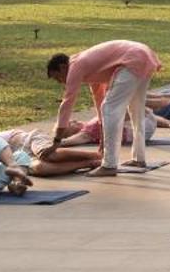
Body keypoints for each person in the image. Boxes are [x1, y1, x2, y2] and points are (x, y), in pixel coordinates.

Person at [47, 40, 161, 176]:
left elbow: (67, 103)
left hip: (134, 58)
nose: (60, 82)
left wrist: (57, 140)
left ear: (62, 67)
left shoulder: (75, 66)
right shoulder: (87, 67)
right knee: (135, 109)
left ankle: (109, 165)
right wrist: (102, 136)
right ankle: (138, 158)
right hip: (143, 55)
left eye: (57, 77)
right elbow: (98, 97)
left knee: (110, 108)